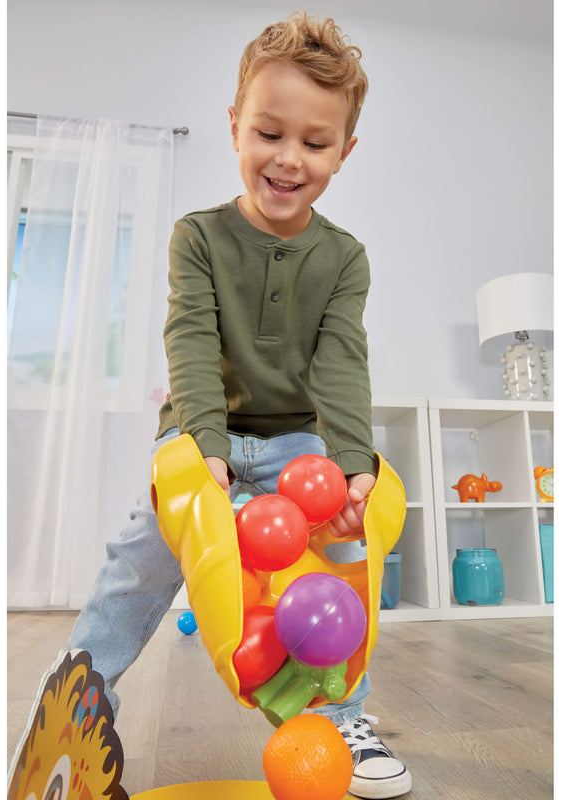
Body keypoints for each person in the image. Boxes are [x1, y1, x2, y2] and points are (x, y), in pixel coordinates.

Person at [68, 13, 411, 799]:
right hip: (200, 439)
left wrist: (354, 469)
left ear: (344, 153)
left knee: (337, 559)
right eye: (269, 133)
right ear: (234, 127)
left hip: (297, 442)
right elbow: (189, 342)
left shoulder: (345, 258)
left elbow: (340, 362)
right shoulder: (198, 236)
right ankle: (84, 702)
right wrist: (208, 451)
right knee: (140, 562)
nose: (289, 160)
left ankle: (341, 721)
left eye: (315, 144)